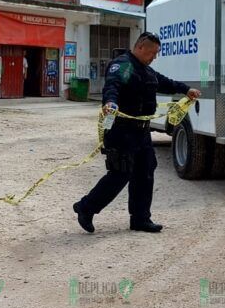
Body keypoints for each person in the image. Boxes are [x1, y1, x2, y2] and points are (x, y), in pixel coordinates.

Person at [73, 32, 201, 233]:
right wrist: (110, 102)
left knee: (145, 173)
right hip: (122, 131)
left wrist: (186, 90)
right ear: (141, 47)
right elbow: (112, 86)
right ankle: (86, 207)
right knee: (120, 174)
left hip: (142, 133)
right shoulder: (124, 66)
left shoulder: (146, 71)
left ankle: (140, 219)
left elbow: (165, 82)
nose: (154, 57)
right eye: (153, 53)